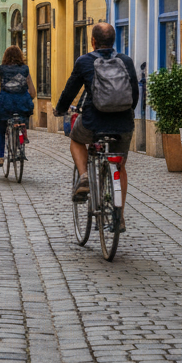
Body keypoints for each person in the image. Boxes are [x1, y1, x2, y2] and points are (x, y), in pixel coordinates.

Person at [54, 22, 139, 231]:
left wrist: (60, 109)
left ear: (93, 42)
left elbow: (70, 90)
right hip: (123, 124)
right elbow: (134, 94)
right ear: (114, 41)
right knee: (119, 165)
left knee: (75, 139)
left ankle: (83, 176)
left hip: (93, 122)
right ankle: (119, 216)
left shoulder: (84, 61)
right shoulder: (125, 61)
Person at [0, 46, 35, 166]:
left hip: (6, 104)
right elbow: (33, 92)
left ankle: (0, 157)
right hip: (23, 104)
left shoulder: (0, 70)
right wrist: (27, 97)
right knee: (22, 120)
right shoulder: (25, 69)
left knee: (1, 129)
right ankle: (22, 139)